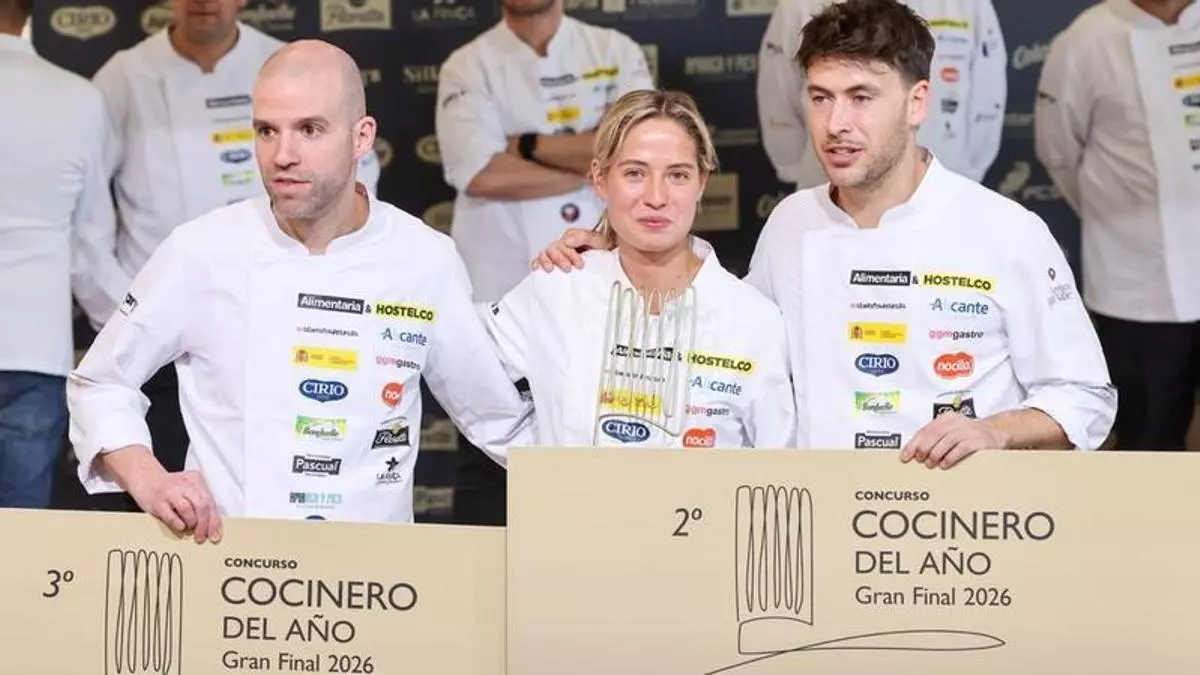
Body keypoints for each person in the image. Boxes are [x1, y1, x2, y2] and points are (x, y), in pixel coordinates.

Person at [533, 0, 1117, 469]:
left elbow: (1086, 398)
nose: (837, 124)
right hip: (821, 531)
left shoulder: (1007, 232)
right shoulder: (792, 223)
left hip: (956, 536)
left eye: (861, 98)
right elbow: (726, 340)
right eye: (821, 98)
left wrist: (993, 431)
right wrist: (621, 253)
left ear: (916, 103)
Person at [66, 40, 533, 543]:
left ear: (361, 137)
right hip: (229, 560)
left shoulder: (425, 259)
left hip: (374, 566)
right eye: (267, 131)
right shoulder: (199, 251)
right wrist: (149, 480)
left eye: (310, 130)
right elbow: (101, 382)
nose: (283, 156)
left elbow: (497, 419)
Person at [72, 0, 382, 488]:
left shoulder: (286, 69)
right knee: (166, 508)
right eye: (267, 131)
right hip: (153, 350)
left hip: (279, 333)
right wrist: (128, 317)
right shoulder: (125, 77)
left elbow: (351, 186)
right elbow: (86, 220)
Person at [434, 0, 654, 525]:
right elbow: (480, 173)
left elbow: (641, 150)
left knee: (611, 480)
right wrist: (597, 165)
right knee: (489, 476)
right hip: (499, 306)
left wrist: (527, 145)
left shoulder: (614, 51)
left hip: (603, 309)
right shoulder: (468, 65)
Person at [482, 89, 797, 450]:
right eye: (635, 173)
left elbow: (779, 466)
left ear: (702, 183)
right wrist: (545, 466)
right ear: (600, 179)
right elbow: (474, 384)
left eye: (677, 175)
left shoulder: (754, 321)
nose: (656, 197)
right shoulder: (556, 289)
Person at [1035, 0, 1199, 451]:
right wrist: (1118, 215)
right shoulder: (1085, 40)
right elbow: (1058, 151)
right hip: (1135, 289)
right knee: (1149, 441)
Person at [0, 0, 111, 507]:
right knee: (19, 536)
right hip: (36, 352)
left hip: (39, 360)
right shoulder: (79, 98)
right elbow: (90, 249)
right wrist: (142, 338)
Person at [757, 0, 1007, 189]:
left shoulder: (968, 4)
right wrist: (799, 168)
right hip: (825, 193)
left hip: (947, 189)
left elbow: (987, 99)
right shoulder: (798, 5)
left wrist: (968, 170)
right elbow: (779, 101)